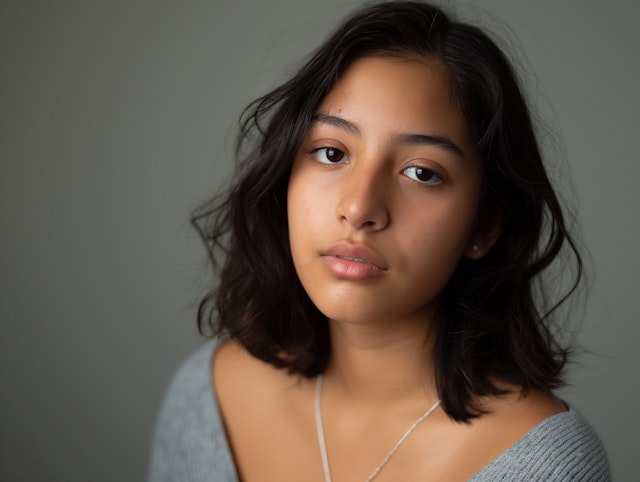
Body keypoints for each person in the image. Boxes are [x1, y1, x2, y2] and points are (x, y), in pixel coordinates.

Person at [148, 1, 610, 480]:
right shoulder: (209, 393)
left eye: (421, 172)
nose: (360, 208)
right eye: (331, 152)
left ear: (484, 225)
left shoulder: (545, 463)